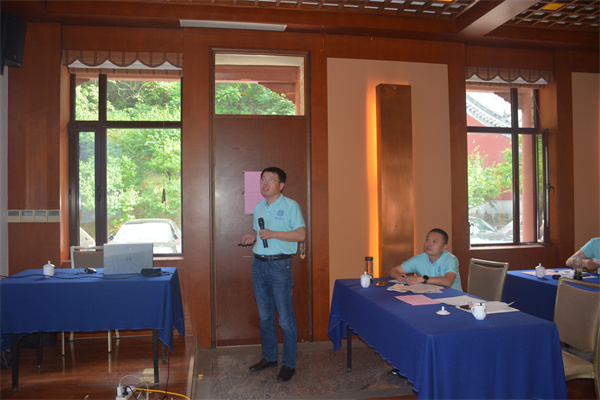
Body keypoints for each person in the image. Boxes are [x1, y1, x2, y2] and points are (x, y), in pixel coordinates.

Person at [240, 167, 306, 383]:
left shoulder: (291, 206)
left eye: (270, 179)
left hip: (279, 266)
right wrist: (252, 237)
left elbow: (301, 235)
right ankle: (269, 358)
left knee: (285, 319)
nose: (265, 183)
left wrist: (273, 234)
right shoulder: (258, 207)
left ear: (281, 185)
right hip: (258, 265)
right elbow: (259, 232)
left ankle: (289, 364)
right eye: (262, 179)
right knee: (265, 317)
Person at [389, 228, 462, 291]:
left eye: (434, 242)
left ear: (444, 247)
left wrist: (422, 279)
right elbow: (393, 270)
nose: (428, 244)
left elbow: (448, 281)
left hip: (453, 298)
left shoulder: (451, 259)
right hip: (430, 296)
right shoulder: (419, 259)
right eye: (427, 240)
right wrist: (397, 275)